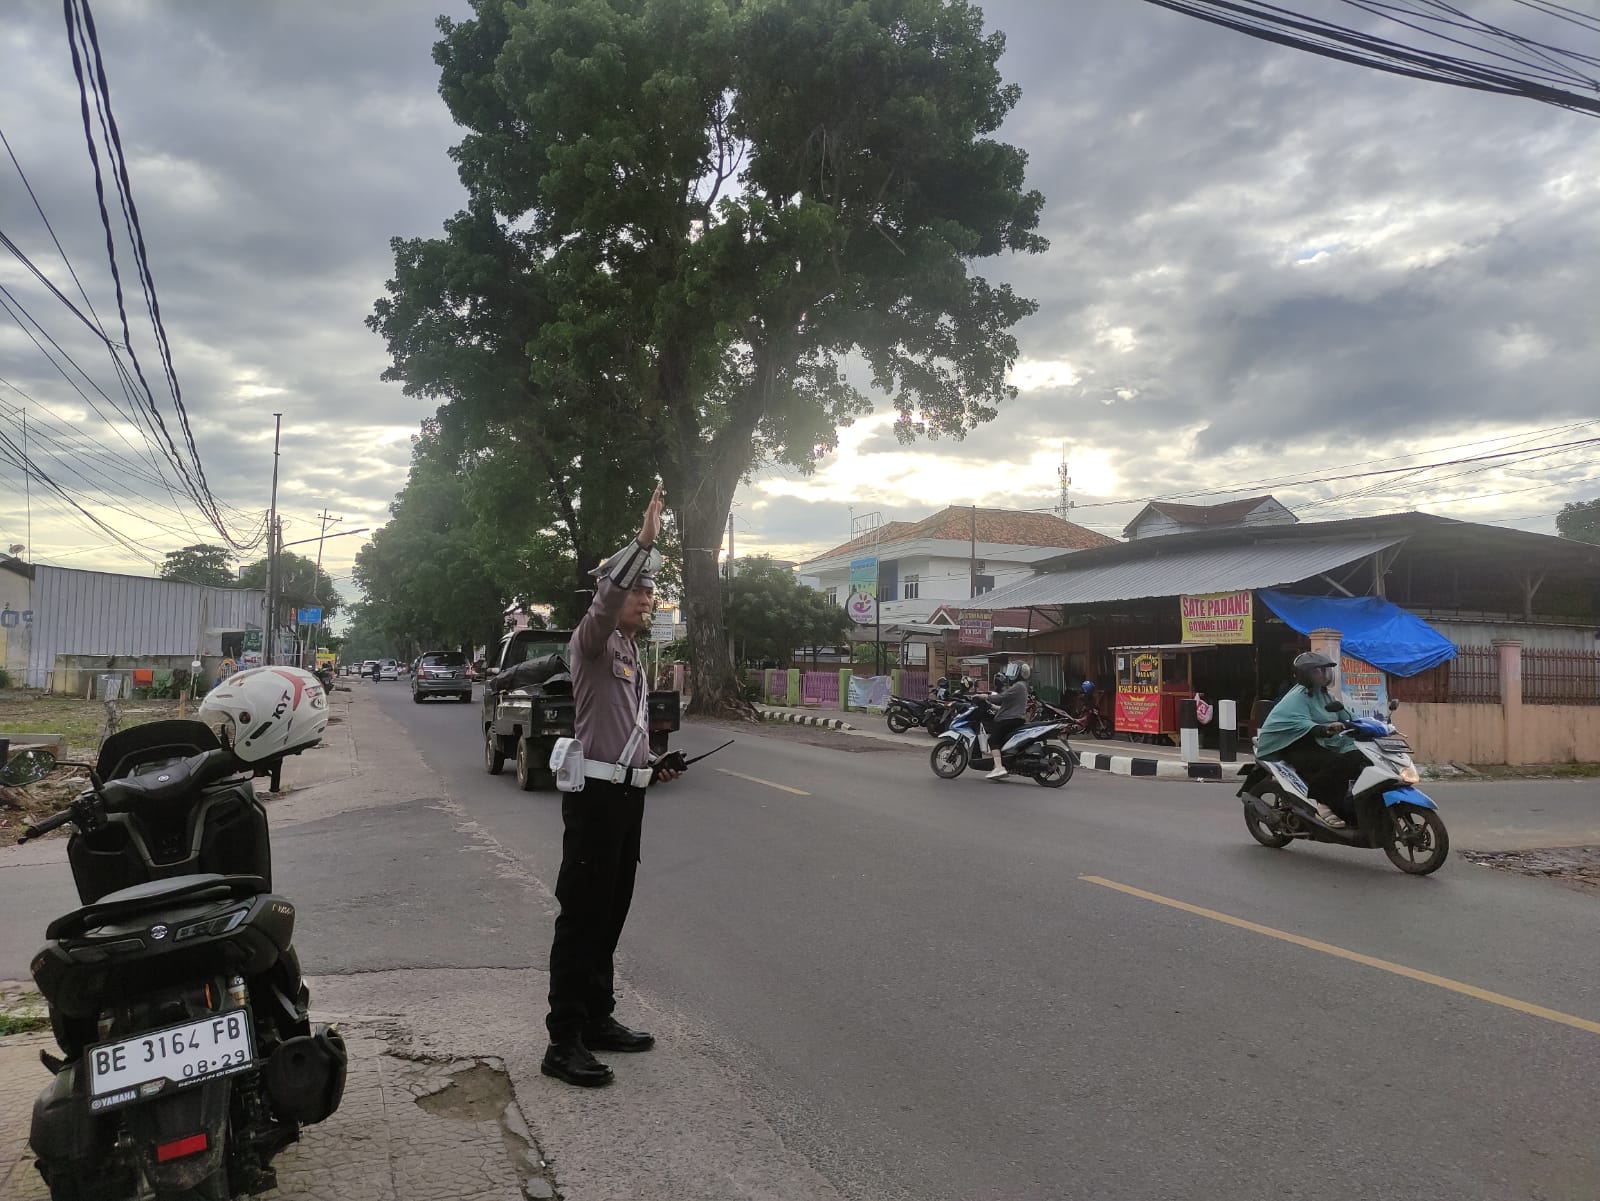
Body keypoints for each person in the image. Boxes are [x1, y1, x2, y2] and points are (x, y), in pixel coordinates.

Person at [541, 484, 684, 1088]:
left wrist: (655, 764)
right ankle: (563, 1039)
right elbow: (605, 603)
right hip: (595, 801)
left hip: (628, 797)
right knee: (582, 915)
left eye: (650, 591)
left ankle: (598, 1017)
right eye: (638, 590)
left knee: (611, 911)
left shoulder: (629, 651)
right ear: (612, 594)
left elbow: (626, 731)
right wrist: (643, 542)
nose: (648, 598)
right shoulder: (593, 641)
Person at [1253, 651, 1365, 828]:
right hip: (1294, 745)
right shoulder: (1297, 697)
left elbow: (1348, 716)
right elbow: (1301, 722)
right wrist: (1325, 728)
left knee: (1359, 756)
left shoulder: (1325, 695)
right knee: (1337, 762)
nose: (1324, 674)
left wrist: (1373, 725)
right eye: (1317, 670)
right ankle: (1323, 803)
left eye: (1325, 670)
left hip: (1320, 742)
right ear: (1305, 675)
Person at [980, 662, 1031, 781]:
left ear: (1019, 673)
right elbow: (1007, 706)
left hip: (1009, 719)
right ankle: (998, 765)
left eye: (1014, 670)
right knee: (1001, 742)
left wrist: (984, 696)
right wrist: (992, 706)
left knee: (993, 740)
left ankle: (999, 767)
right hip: (1015, 718)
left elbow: (1000, 697)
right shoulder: (1022, 686)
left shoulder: (1018, 686)